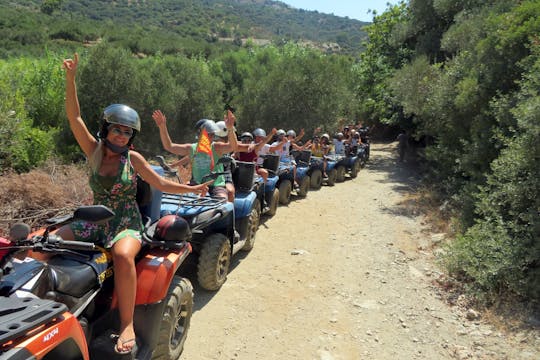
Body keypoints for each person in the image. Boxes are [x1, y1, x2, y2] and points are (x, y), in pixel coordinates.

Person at [60, 54, 208, 355]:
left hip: (125, 221)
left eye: (127, 132)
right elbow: (74, 118)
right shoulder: (94, 150)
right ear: (106, 129)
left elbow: (161, 184)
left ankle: (126, 323)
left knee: (123, 256)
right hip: (93, 220)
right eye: (117, 129)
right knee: (43, 241)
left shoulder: (134, 159)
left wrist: (192, 188)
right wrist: (71, 79)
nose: (122, 134)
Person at [152, 109, 238, 201]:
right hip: (195, 185)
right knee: (179, 201)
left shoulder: (216, 147)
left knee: (222, 203)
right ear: (200, 134)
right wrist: (162, 127)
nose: (211, 137)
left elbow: (232, 146)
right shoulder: (192, 148)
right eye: (208, 134)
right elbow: (169, 146)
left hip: (216, 186)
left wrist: (230, 128)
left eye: (212, 134)